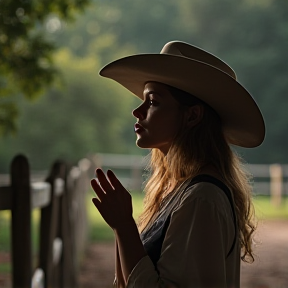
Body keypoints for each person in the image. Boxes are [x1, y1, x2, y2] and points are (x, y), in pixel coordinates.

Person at [90, 41, 265, 288]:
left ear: (192, 115)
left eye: (153, 102)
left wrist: (124, 225)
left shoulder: (201, 198)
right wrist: (121, 229)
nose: (137, 112)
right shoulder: (182, 190)